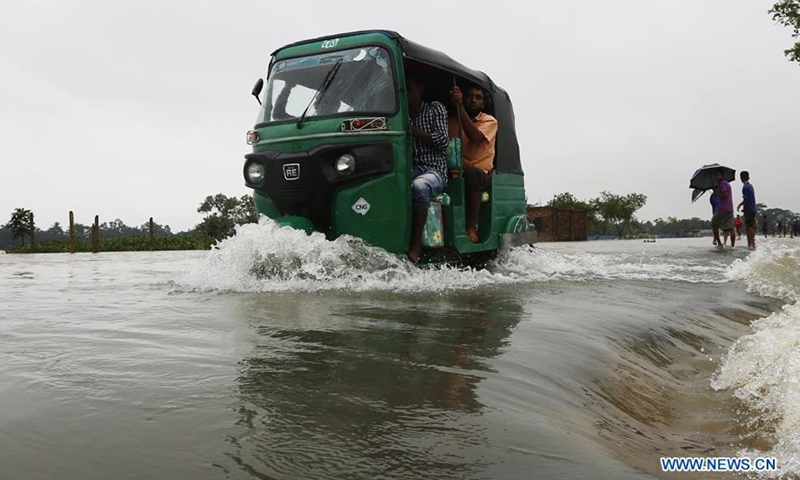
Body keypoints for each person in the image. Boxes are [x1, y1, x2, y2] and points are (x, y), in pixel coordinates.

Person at [406, 75, 448, 263]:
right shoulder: (398, 114)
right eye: (402, 90)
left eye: (410, 88)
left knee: (419, 187)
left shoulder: (434, 109)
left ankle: (416, 246)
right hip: (409, 168)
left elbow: (442, 141)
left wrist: (413, 130)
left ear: (420, 89)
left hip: (434, 171)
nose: (406, 94)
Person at [448, 85, 498, 243]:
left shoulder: (489, 121)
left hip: (481, 175)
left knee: (472, 174)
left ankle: (471, 226)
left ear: (483, 104)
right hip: (455, 171)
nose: (473, 100)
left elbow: (475, 136)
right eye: (470, 96)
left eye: (478, 97)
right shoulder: (451, 122)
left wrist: (459, 106)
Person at [710, 168, 735, 248]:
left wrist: (717, 194)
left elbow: (725, 195)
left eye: (719, 175)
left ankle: (720, 244)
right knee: (731, 228)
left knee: (714, 223)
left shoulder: (722, 184)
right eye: (716, 176)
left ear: (722, 175)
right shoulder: (726, 183)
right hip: (730, 208)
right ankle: (732, 246)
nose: (717, 177)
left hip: (723, 208)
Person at [736, 171, 757, 249]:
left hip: (749, 209)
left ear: (741, 178)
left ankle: (750, 243)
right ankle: (753, 242)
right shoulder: (750, 186)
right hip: (753, 208)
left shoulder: (745, 187)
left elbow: (746, 199)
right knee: (751, 225)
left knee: (749, 227)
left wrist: (743, 207)